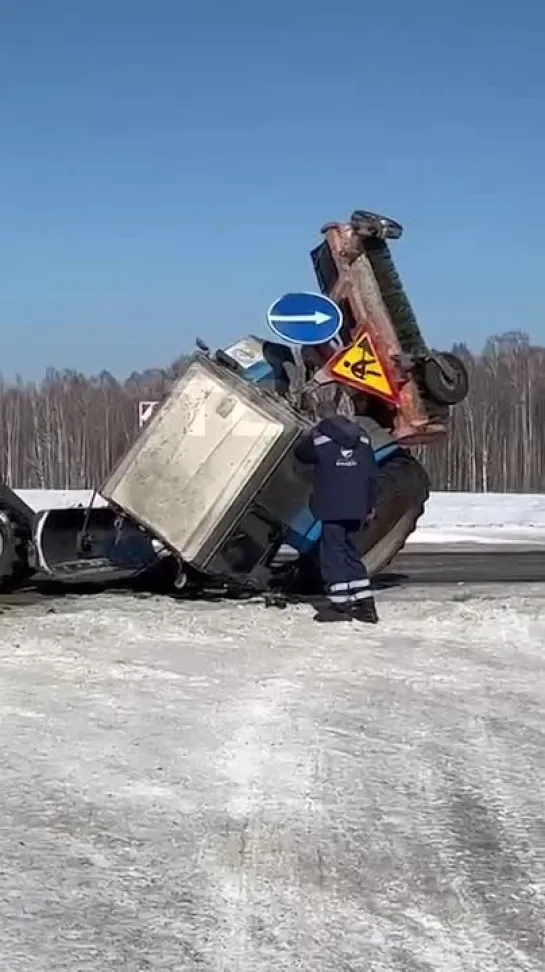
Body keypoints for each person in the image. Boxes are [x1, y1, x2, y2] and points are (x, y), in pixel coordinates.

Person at [294, 399, 379, 624]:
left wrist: (308, 434)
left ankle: (340, 606)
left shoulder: (319, 437)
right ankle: (365, 606)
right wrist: (371, 505)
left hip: (332, 506)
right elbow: (372, 474)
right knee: (351, 553)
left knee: (332, 555)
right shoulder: (362, 438)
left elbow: (301, 454)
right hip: (358, 506)